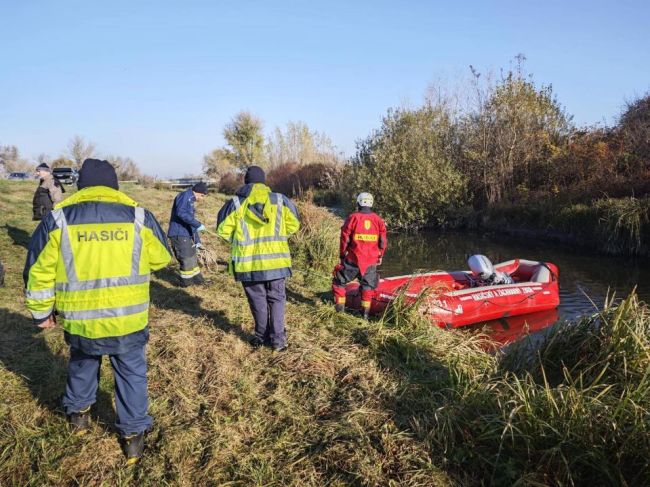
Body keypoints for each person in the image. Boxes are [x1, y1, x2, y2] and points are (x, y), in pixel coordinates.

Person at [23, 158, 172, 464]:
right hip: (128, 318)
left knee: (82, 363)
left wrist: (41, 312)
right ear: (114, 186)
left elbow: (38, 270)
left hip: (81, 320)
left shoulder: (58, 218)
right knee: (131, 374)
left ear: (82, 186)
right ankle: (132, 438)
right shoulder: (138, 217)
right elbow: (161, 259)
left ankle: (78, 416)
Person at [216, 165, 300, 352]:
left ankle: (261, 336)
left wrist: (238, 240)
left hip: (248, 265)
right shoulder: (280, 200)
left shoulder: (236, 203)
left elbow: (222, 229)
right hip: (277, 263)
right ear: (264, 181)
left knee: (258, 301)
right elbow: (294, 224)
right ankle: (278, 340)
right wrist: (279, 236)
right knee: (277, 300)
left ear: (246, 181)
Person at [332, 192, 387, 319]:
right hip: (370, 261)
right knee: (367, 287)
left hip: (352, 259)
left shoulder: (353, 217)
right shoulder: (378, 220)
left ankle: (339, 312)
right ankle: (365, 316)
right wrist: (380, 255)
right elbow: (383, 241)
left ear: (358, 202)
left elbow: (344, 238)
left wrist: (342, 254)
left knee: (338, 281)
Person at [167, 182, 209, 286]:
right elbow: (181, 213)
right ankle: (187, 284)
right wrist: (197, 224)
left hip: (186, 234)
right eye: (202, 196)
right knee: (186, 258)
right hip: (179, 233)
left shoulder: (190, 200)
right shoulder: (184, 196)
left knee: (192, 258)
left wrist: (197, 241)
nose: (202, 198)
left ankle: (198, 281)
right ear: (198, 192)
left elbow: (190, 222)